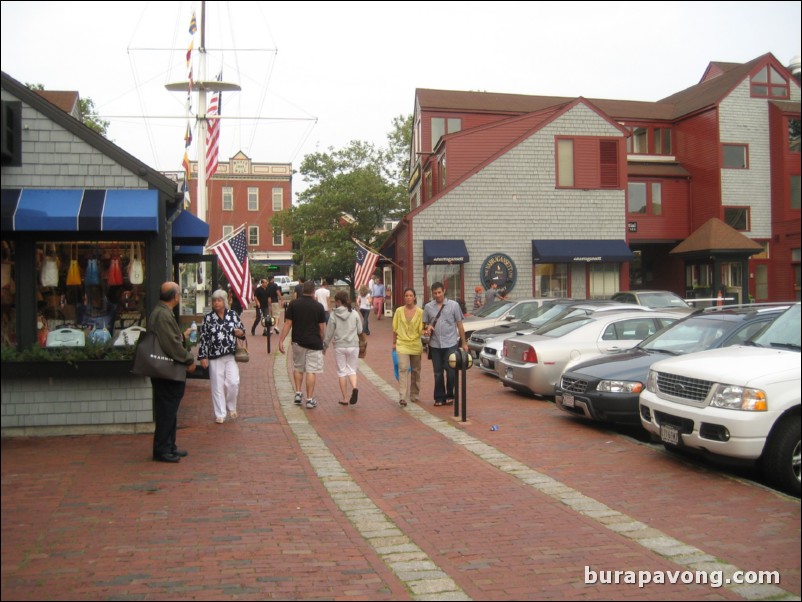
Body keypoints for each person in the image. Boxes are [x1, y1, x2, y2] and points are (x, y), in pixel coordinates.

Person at [148, 282, 197, 463]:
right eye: (179, 293)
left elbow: (169, 338)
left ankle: (170, 445)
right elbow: (169, 345)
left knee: (170, 410)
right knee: (166, 410)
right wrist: (188, 359)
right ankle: (162, 449)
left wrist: (181, 336)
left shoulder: (163, 312)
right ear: (175, 296)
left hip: (166, 370)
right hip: (166, 371)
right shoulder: (162, 314)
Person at [198, 289, 246, 424]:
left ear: (224, 301)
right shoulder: (208, 318)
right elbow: (204, 338)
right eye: (214, 301)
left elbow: (243, 331)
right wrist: (203, 356)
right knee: (217, 385)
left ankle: (231, 406)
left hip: (230, 354)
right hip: (214, 356)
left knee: (233, 382)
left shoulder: (233, 315)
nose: (216, 303)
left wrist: (240, 332)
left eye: (219, 300)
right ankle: (220, 413)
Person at [278, 280, 326, 408]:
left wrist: (281, 340)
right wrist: (323, 342)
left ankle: (298, 393)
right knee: (311, 370)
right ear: (313, 291)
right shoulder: (319, 306)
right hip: (314, 342)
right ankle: (309, 399)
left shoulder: (294, 304)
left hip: (298, 341)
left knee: (298, 368)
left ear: (302, 290)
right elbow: (321, 327)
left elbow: (288, 323)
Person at [422, 281, 468, 407]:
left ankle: (450, 395)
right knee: (438, 372)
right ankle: (439, 397)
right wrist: (427, 328)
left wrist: (464, 342)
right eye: (435, 293)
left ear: (444, 291)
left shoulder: (453, 305)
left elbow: (459, 324)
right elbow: (424, 326)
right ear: (432, 294)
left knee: (451, 370)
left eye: (439, 292)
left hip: (451, 343)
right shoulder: (428, 307)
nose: (437, 295)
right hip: (435, 344)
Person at [323, 290, 363, 406]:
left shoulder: (334, 314)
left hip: (339, 346)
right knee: (352, 370)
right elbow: (360, 330)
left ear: (339, 302)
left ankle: (345, 398)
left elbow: (329, 332)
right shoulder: (354, 313)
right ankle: (354, 387)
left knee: (342, 372)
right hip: (353, 345)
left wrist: (325, 346)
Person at [392, 287, 424, 407]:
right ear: (404, 297)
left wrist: (426, 331)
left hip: (415, 344)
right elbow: (395, 328)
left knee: (416, 370)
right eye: (406, 295)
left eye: (411, 295)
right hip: (402, 343)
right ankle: (402, 396)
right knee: (403, 369)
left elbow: (422, 329)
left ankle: (414, 394)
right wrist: (394, 343)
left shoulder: (420, 312)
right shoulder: (399, 311)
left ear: (414, 297)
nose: (408, 297)